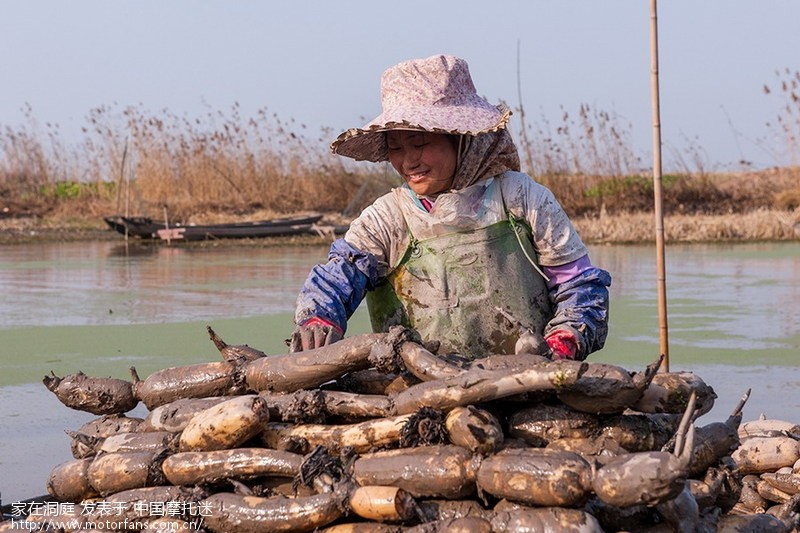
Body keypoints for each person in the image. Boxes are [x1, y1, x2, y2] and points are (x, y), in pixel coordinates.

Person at [290, 54, 611, 360]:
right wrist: (319, 320)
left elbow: (580, 285)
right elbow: (337, 277)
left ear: (461, 140)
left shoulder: (522, 199)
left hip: (526, 379)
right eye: (396, 148)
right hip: (417, 385)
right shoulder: (386, 219)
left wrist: (563, 343)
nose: (408, 160)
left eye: (420, 144)